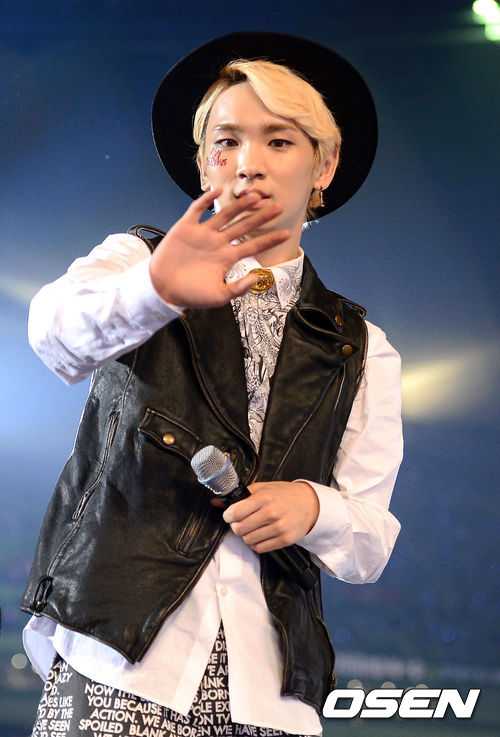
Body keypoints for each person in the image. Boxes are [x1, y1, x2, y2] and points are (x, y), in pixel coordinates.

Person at [23, 32, 402, 737]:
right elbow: (54, 335)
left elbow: (371, 540)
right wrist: (156, 289)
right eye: (226, 141)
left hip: (272, 692)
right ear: (203, 163)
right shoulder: (137, 259)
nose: (249, 163)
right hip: (120, 664)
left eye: (279, 141)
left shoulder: (362, 346)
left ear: (325, 164)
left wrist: (312, 507)